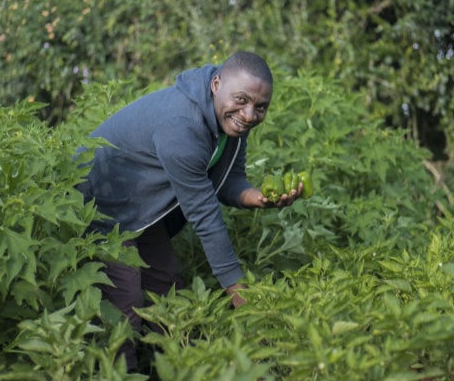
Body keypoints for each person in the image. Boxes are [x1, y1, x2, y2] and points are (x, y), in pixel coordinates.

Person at [76, 51, 303, 371]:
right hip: (100, 205)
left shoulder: (231, 117)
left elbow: (228, 178)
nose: (249, 114)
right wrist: (237, 289)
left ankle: (174, 370)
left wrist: (256, 198)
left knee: (166, 291)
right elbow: (205, 216)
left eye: (260, 106)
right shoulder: (183, 124)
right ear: (215, 84)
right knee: (125, 307)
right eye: (242, 100)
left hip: (140, 209)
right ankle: (121, 374)